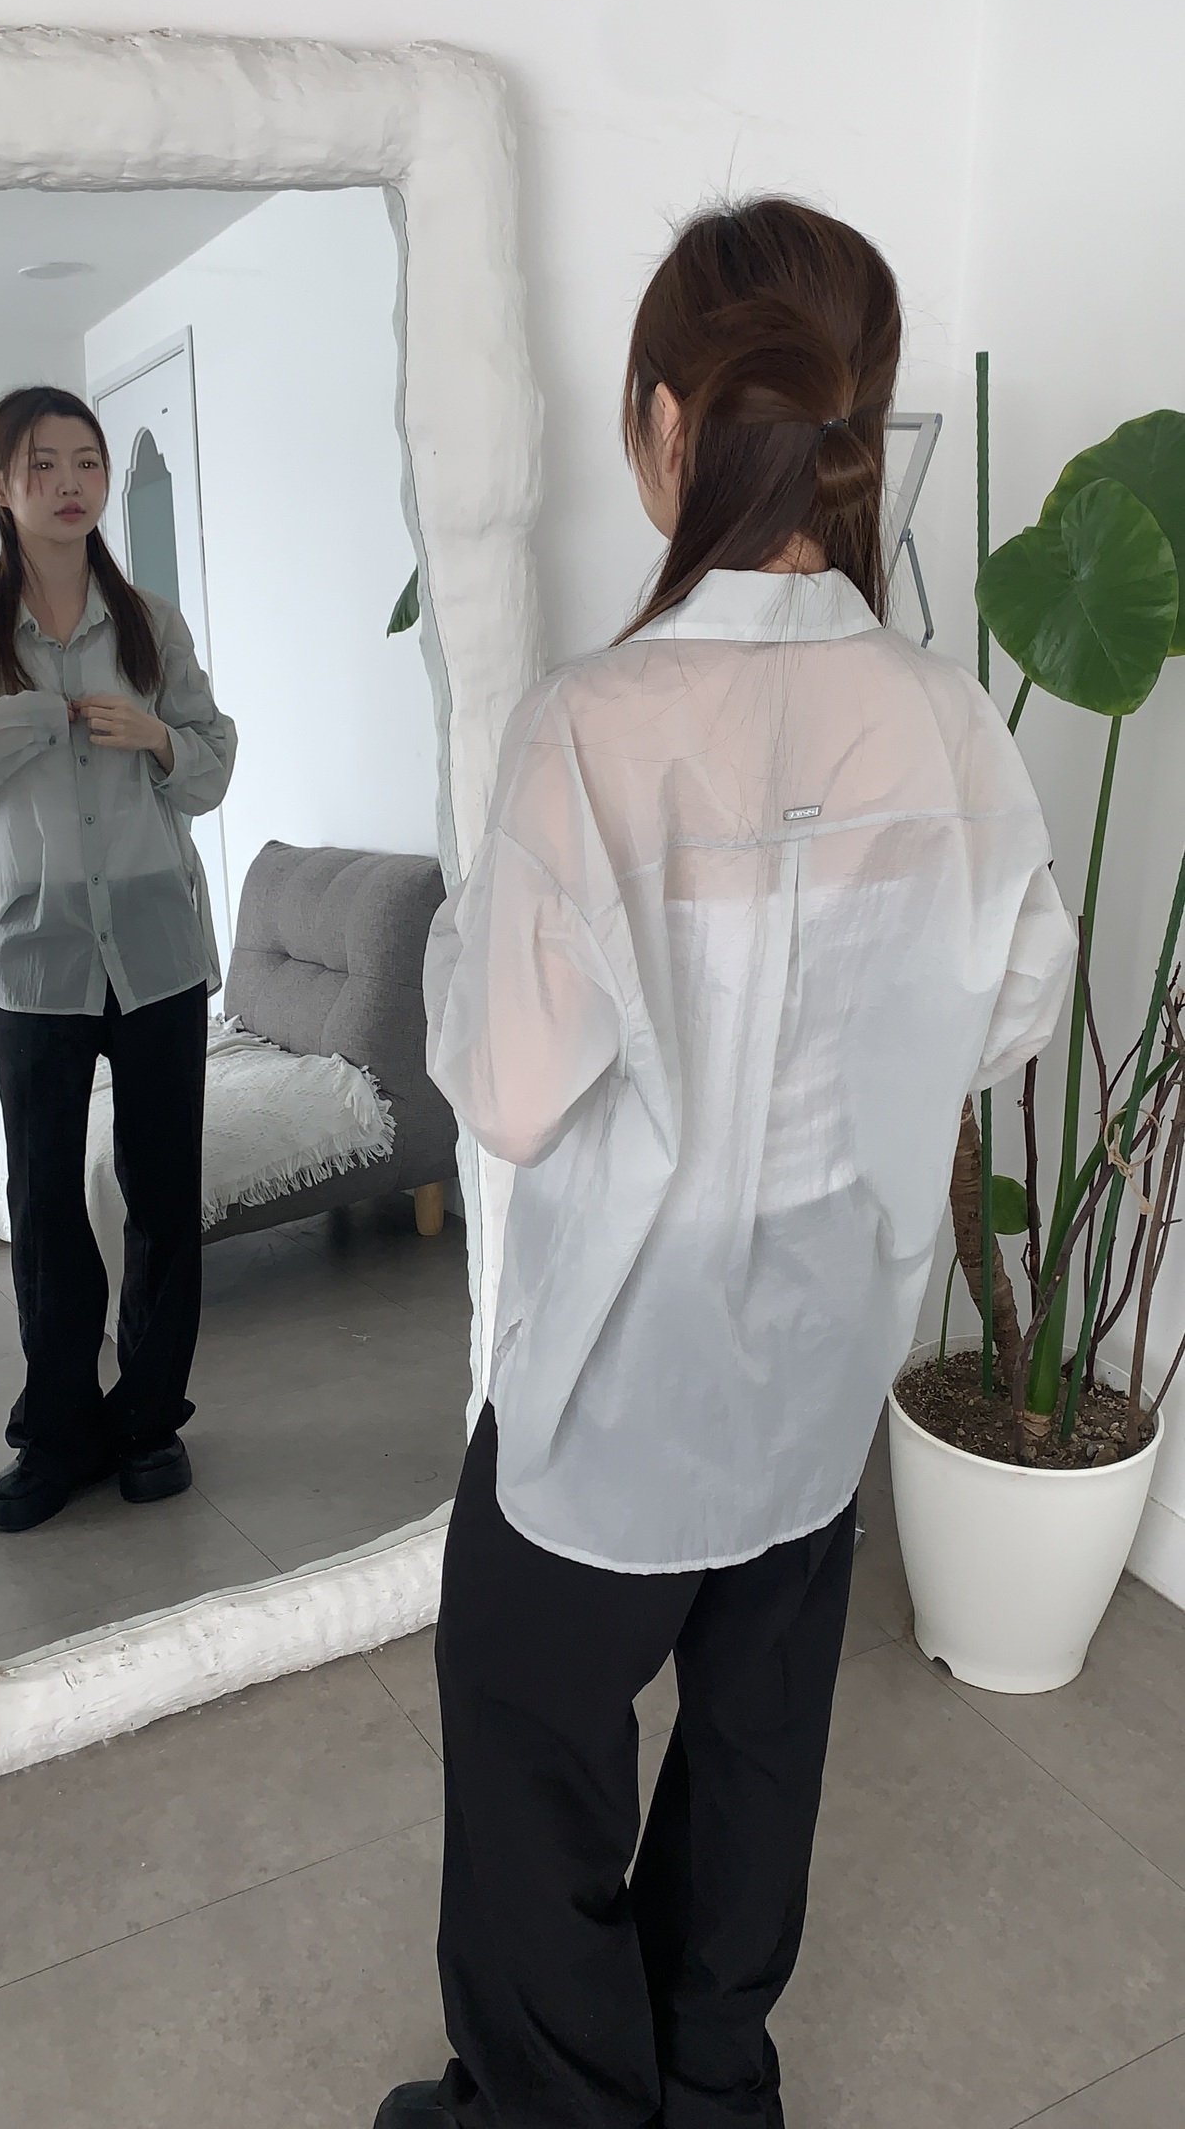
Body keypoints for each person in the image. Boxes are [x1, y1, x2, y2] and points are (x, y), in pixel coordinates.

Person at [377, 201, 1075, 2129]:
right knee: (759, 1745)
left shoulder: (590, 729)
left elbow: (511, 1089)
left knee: (530, 1745)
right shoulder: (945, 719)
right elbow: (1011, 1006)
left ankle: (560, 2107)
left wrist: (478, 937)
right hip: (819, 1364)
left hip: (618, 1387)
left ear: (667, 423)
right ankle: (713, 2086)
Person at [0, 386, 237, 1534]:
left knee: (163, 1193)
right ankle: (59, 1433)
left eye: (88, 462)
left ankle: (150, 1419)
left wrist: (161, 737)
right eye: (44, 465)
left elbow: (213, 762)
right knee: (42, 1204)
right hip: (31, 953)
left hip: (157, 946)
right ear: (0, 485)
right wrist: (15, 722)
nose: (72, 483)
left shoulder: (150, 626)